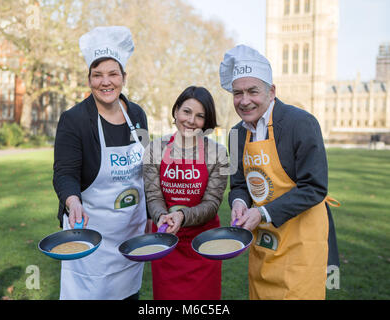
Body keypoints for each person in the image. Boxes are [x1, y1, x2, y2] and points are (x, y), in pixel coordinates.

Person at [220, 45, 340, 300]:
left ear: (271, 91)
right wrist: (240, 202)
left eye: (253, 91)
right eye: (237, 93)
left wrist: (262, 212)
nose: (244, 100)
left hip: (301, 243)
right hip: (264, 243)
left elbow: (314, 188)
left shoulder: (302, 123)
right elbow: (238, 183)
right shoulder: (235, 134)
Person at [53, 26, 149, 300]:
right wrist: (73, 201)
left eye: (112, 74)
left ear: (123, 78)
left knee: (128, 295)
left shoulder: (138, 115)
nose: (105, 82)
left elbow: (146, 168)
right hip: (90, 234)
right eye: (97, 75)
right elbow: (65, 173)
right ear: (89, 79)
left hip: (129, 233)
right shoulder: (75, 120)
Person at [143, 86, 228, 300]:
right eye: (186, 111)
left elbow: (212, 203)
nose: (191, 120)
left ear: (206, 122)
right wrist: (161, 216)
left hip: (203, 245)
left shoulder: (218, 153)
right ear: (176, 111)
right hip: (166, 243)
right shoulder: (154, 149)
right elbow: (153, 197)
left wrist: (181, 216)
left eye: (200, 116)